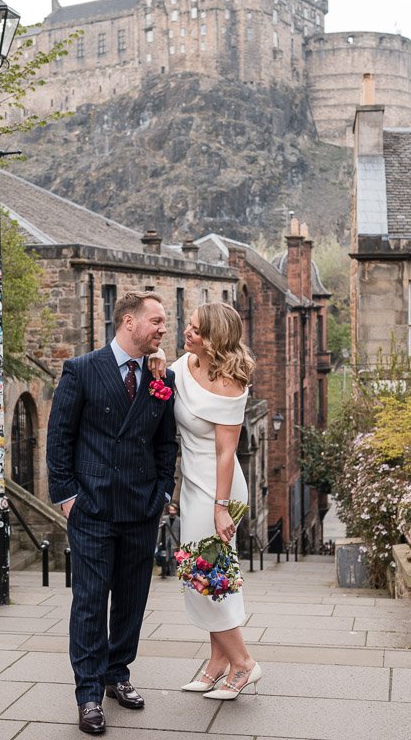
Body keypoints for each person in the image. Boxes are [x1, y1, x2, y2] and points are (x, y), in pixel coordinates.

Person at [45, 291, 179, 735]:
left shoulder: (162, 377)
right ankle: (87, 695)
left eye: (165, 322)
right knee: (88, 602)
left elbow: (165, 444)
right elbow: (59, 437)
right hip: (94, 509)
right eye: (157, 321)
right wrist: (68, 497)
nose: (164, 329)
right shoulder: (82, 370)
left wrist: (161, 494)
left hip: (141, 508)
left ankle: (116, 673)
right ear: (128, 321)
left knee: (131, 599)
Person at [170, 302, 262, 700]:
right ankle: (216, 663)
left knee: (205, 578)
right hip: (193, 485)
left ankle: (244, 664)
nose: (186, 333)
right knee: (207, 579)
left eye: (195, 330)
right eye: (188, 326)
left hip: (219, 491)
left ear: (214, 339)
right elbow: (161, 374)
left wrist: (221, 506)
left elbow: (227, 452)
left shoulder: (231, 383)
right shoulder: (185, 364)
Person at [157, 502, 181, 577]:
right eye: (171, 510)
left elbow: (180, 531)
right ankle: (165, 572)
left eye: (174, 510)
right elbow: (161, 530)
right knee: (165, 556)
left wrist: (180, 542)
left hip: (175, 540)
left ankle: (172, 573)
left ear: (176, 511)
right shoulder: (165, 518)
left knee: (173, 557)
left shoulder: (179, 520)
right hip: (165, 540)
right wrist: (158, 541)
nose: (172, 512)